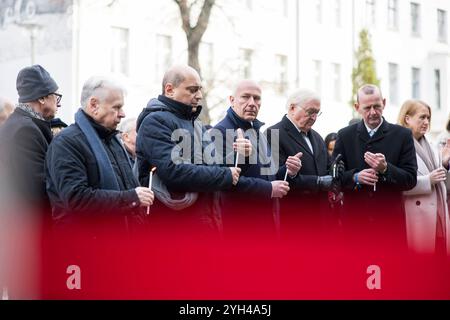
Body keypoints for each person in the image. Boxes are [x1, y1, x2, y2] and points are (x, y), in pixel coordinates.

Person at [136, 65, 241, 235]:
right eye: (192, 90)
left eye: (199, 89)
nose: (199, 96)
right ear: (169, 89)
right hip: (173, 230)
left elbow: (212, 165)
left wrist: (238, 154)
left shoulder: (195, 123)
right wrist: (226, 175)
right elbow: (174, 171)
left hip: (204, 224)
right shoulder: (155, 122)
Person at [45, 76, 154, 234]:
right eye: (116, 107)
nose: (122, 114)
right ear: (94, 105)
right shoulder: (67, 143)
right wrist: (131, 198)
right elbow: (76, 198)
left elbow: (130, 186)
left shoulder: (113, 140)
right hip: (84, 248)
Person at [332, 84, 417, 245]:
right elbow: (334, 177)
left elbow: (410, 179)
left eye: (377, 106)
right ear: (357, 107)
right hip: (355, 225)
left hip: (389, 225)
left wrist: (385, 169)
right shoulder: (344, 135)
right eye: (367, 108)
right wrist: (356, 177)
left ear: (384, 103)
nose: (373, 112)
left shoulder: (402, 135)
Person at [214, 80, 300, 238]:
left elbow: (269, 175)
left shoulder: (259, 132)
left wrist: (288, 170)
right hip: (238, 226)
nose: (252, 103)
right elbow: (224, 181)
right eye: (245, 97)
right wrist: (269, 189)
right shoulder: (219, 132)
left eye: (257, 98)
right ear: (232, 100)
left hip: (267, 224)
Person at [266, 89, 342, 236]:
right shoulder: (273, 133)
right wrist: (317, 182)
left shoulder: (318, 137)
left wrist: (335, 171)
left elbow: (326, 168)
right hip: (294, 220)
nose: (314, 117)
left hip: (322, 220)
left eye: (317, 112)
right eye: (310, 111)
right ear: (292, 108)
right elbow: (274, 177)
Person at [0, 65, 61, 212]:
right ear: (42, 98)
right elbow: (38, 188)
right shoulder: (25, 130)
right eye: (56, 97)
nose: (59, 103)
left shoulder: (21, 123)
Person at [397, 100, 450, 255]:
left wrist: (445, 164)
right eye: (422, 117)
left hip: (437, 216)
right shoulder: (398, 145)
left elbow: (437, 178)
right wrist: (428, 181)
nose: (426, 122)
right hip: (416, 216)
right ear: (407, 119)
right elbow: (397, 184)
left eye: (428, 118)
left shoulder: (431, 145)